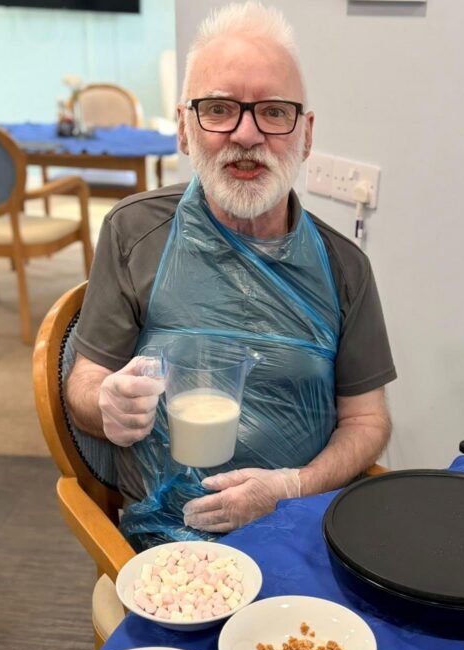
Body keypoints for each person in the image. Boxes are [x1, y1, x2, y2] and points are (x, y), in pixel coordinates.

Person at [64, 1, 395, 546]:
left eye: (273, 111)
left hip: (300, 533)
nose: (246, 135)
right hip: (168, 549)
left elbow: (367, 422)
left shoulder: (345, 268)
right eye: (218, 109)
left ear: (305, 134)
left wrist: (292, 486)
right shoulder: (134, 233)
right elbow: (85, 380)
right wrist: (105, 402)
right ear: (183, 128)